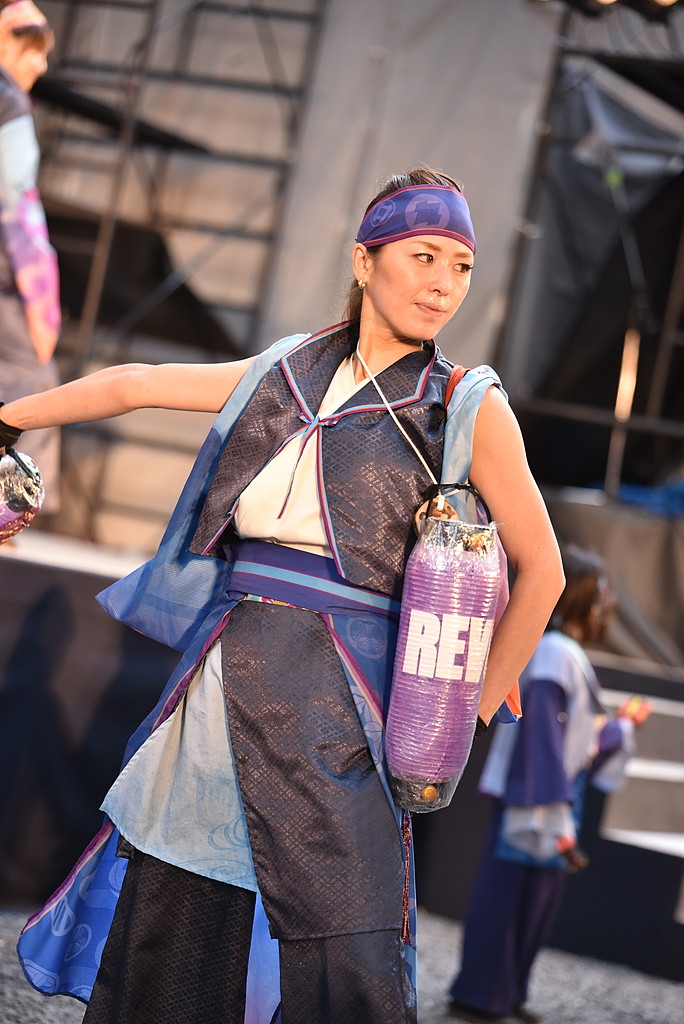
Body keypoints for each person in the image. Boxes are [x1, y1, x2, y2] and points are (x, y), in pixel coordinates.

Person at [4, 166, 564, 1024]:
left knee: (349, 948)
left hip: (347, 701)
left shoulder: (461, 406)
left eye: (460, 266)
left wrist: (467, 710)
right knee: (176, 914)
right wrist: (11, 418)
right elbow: (136, 383)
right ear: (364, 260)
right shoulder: (287, 371)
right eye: (422, 256)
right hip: (226, 676)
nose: (443, 284)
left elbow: (543, 569)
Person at [447, 544, 650, 1024]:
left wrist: (619, 727)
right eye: (600, 591)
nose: (605, 603)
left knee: (531, 903)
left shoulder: (561, 653)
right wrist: (551, 808)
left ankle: (503, 994)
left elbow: (573, 738)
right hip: (535, 797)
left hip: (547, 793)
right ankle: (483, 996)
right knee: (511, 900)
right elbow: (540, 737)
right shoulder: (556, 653)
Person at [0, 0, 60, 510]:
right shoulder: (8, 102)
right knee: (34, 385)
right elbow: (13, 196)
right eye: (34, 52)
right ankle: (12, 508)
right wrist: (37, 291)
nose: (40, 65)